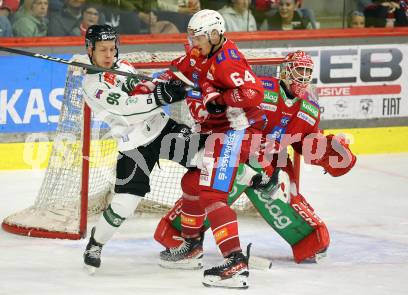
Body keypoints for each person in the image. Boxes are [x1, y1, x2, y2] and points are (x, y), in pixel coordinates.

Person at [154, 50, 357, 265]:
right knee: (207, 187)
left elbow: (306, 143)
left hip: (274, 165)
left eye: (307, 72)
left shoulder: (310, 108)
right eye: (299, 71)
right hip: (238, 153)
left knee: (284, 196)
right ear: (286, 72)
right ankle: (181, 236)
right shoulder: (262, 88)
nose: (303, 77)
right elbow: (231, 114)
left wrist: (328, 150)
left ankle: (309, 240)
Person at [156, 9, 269, 289]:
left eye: (198, 37)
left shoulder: (227, 62)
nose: (194, 42)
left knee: (212, 195)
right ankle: (193, 247)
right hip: (215, 131)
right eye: (192, 37)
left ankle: (235, 262)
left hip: (235, 132)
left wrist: (222, 100)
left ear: (215, 34)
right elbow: (176, 70)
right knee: (192, 183)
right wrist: (152, 82)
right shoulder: (199, 53)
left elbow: (255, 92)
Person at [81, 24, 205, 274]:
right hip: (134, 146)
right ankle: (96, 243)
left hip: (163, 130)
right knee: (125, 204)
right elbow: (126, 108)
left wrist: (163, 86)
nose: (108, 54)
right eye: (102, 49)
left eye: (112, 48)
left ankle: (191, 238)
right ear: (90, 50)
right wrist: (162, 96)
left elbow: (143, 89)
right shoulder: (91, 85)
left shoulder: (125, 67)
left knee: (206, 162)